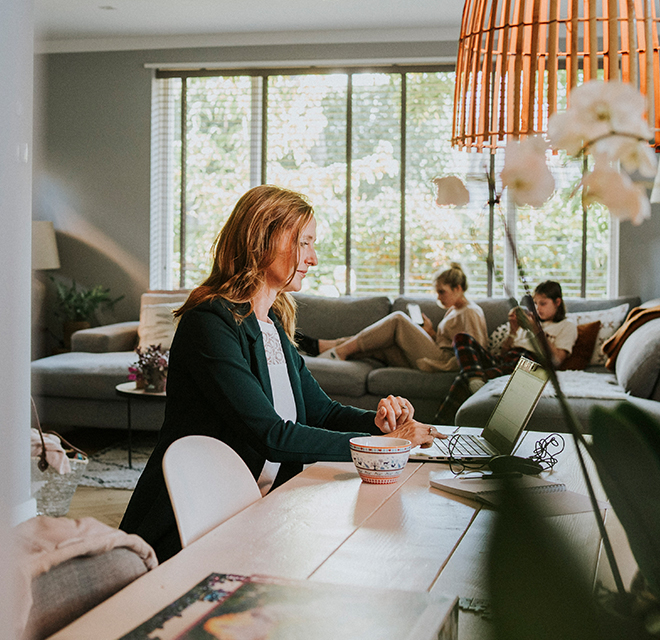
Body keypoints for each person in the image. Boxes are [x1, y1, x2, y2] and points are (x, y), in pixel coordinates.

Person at [120, 185, 444, 562]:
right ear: (263, 240)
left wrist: (380, 424)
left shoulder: (271, 322)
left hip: (260, 506)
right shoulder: (210, 323)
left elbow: (321, 412)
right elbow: (271, 435)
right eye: (304, 242)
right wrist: (385, 447)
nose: (314, 258)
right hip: (196, 519)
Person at [434, 280, 577, 423]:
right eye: (535, 303)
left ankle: (437, 425)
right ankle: (476, 379)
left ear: (557, 302)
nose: (537, 308)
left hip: (528, 363)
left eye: (543, 303)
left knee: (462, 379)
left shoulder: (566, 326)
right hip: (507, 361)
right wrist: (513, 331)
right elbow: (504, 354)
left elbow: (557, 360)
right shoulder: (528, 321)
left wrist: (536, 330)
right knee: (461, 338)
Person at [317, 263, 488, 372]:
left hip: (443, 362)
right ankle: (327, 348)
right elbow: (449, 341)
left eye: (442, 291)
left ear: (458, 288)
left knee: (398, 318)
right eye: (437, 292)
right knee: (382, 345)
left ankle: (336, 350)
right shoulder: (453, 310)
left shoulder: (470, 311)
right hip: (437, 354)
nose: (438, 297)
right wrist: (430, 333)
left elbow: (476, 349)